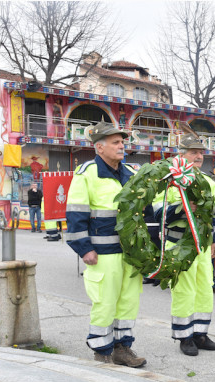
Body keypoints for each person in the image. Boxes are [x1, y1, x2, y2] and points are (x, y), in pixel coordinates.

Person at [66, 121, 146, 366]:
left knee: (128, 301)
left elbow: (142, 211)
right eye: (116, 142)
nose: (122, 146)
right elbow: (75, 214)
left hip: (130, 253)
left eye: (122, 142)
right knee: (105, 302)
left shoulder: (131, 174)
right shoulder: (87, 173)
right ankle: (102, 351)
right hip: (102, 253)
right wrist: (84, 248)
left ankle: (123, 349)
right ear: (99, 148)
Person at [153, 134, 215, 356]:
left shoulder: (208, 181)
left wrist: (214, 240)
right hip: (178, 242)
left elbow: (214, 213)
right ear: (181, 155)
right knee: (184, 290)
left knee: (204, 289)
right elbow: (157, 211)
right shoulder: (168, 178)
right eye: (194, 152)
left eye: (201, 153)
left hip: (202, 243)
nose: (199, 156)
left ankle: (200, 334)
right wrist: (184, 208)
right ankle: (184, 336)